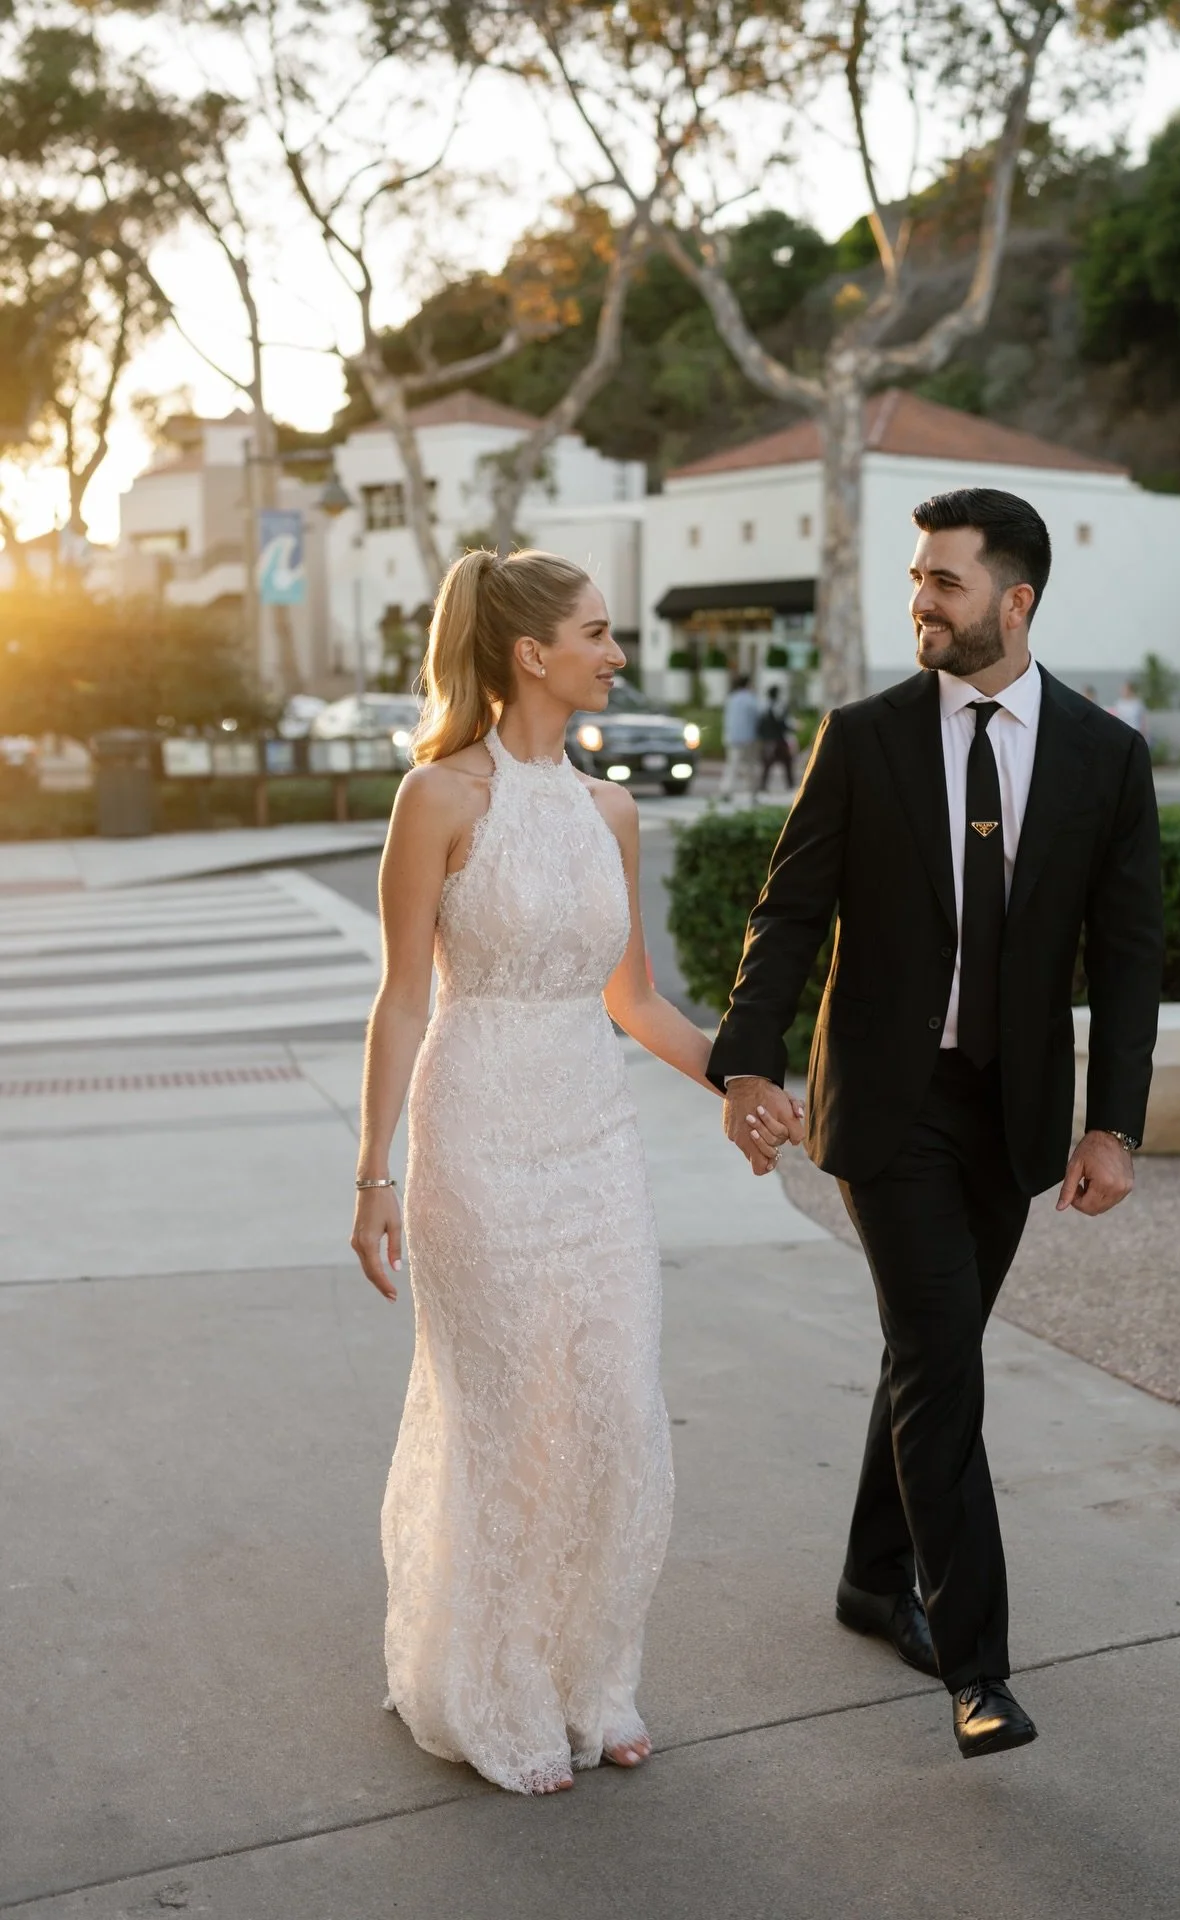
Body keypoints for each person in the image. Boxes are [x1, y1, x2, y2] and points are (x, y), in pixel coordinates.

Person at [709, 488, 1163, 1762]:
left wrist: (1112, 1124)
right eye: (917, 578)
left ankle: (869, 1576)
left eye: (947, 583)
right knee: (942, 1362)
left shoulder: (1104, 758)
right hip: (888, 1109)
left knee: (930, 1348)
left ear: (1015, 603)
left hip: (1011, 1120)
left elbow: (1128, 960)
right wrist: (746, 1062)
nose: (922, 600)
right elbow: (788, 913)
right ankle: (977, 1666)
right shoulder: (863, 739)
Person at [349, 548, 787, 1796]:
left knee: (611, 1414)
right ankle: (492, 1683)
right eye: (598, 633)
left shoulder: (612, 811)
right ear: (529, 652)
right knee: (510, 1421)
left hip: (596, 1150)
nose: (617, 651)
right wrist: (372, 1175)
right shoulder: (438, 797)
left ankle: (594, 1677)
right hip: (477, 1139)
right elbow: (396, 1002)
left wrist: (739, 1085)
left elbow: (636, 999)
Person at [721, 672, 761, 803]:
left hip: (733, 737)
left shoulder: (731, 698)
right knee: (751, 767)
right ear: (748, 684)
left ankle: (726, 791)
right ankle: (753, 794)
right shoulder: (751, 699)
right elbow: (758, 717)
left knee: (732, 766)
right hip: (749, 737)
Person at [757, 686, 795, 792]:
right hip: (778, 739)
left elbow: (760, 724)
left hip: (767, 740)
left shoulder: (763, 706)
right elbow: (782, 723)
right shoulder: (778, 706)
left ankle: (763, 785)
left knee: (767, 764)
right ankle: (790, 785)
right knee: (787, 762)